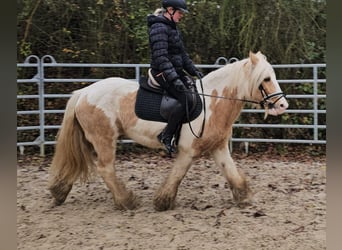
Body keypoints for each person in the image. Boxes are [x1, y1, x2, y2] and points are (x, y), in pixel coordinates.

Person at [147, 0, 203, 156]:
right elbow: (161, 58)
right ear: (170, 10)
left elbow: (182, 55)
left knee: (194, 92)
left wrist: (193, 70)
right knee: (185, 97)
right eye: (180, 13)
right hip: (161, 71)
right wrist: (174, 79)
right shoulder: (159, 28)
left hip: (175, 71)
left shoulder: (173, 29)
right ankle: (166, 135)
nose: (182, 16)